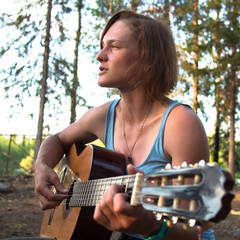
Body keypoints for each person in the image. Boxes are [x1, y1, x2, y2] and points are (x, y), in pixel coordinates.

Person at [34, 10, 215, 240]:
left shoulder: (180, 124)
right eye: (102, 46)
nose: (100, 55)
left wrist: (152, 228)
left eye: (114, 46)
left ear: (148, 58)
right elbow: (58, 139)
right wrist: (41, 166)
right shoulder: (104, 116)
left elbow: (195, 233)